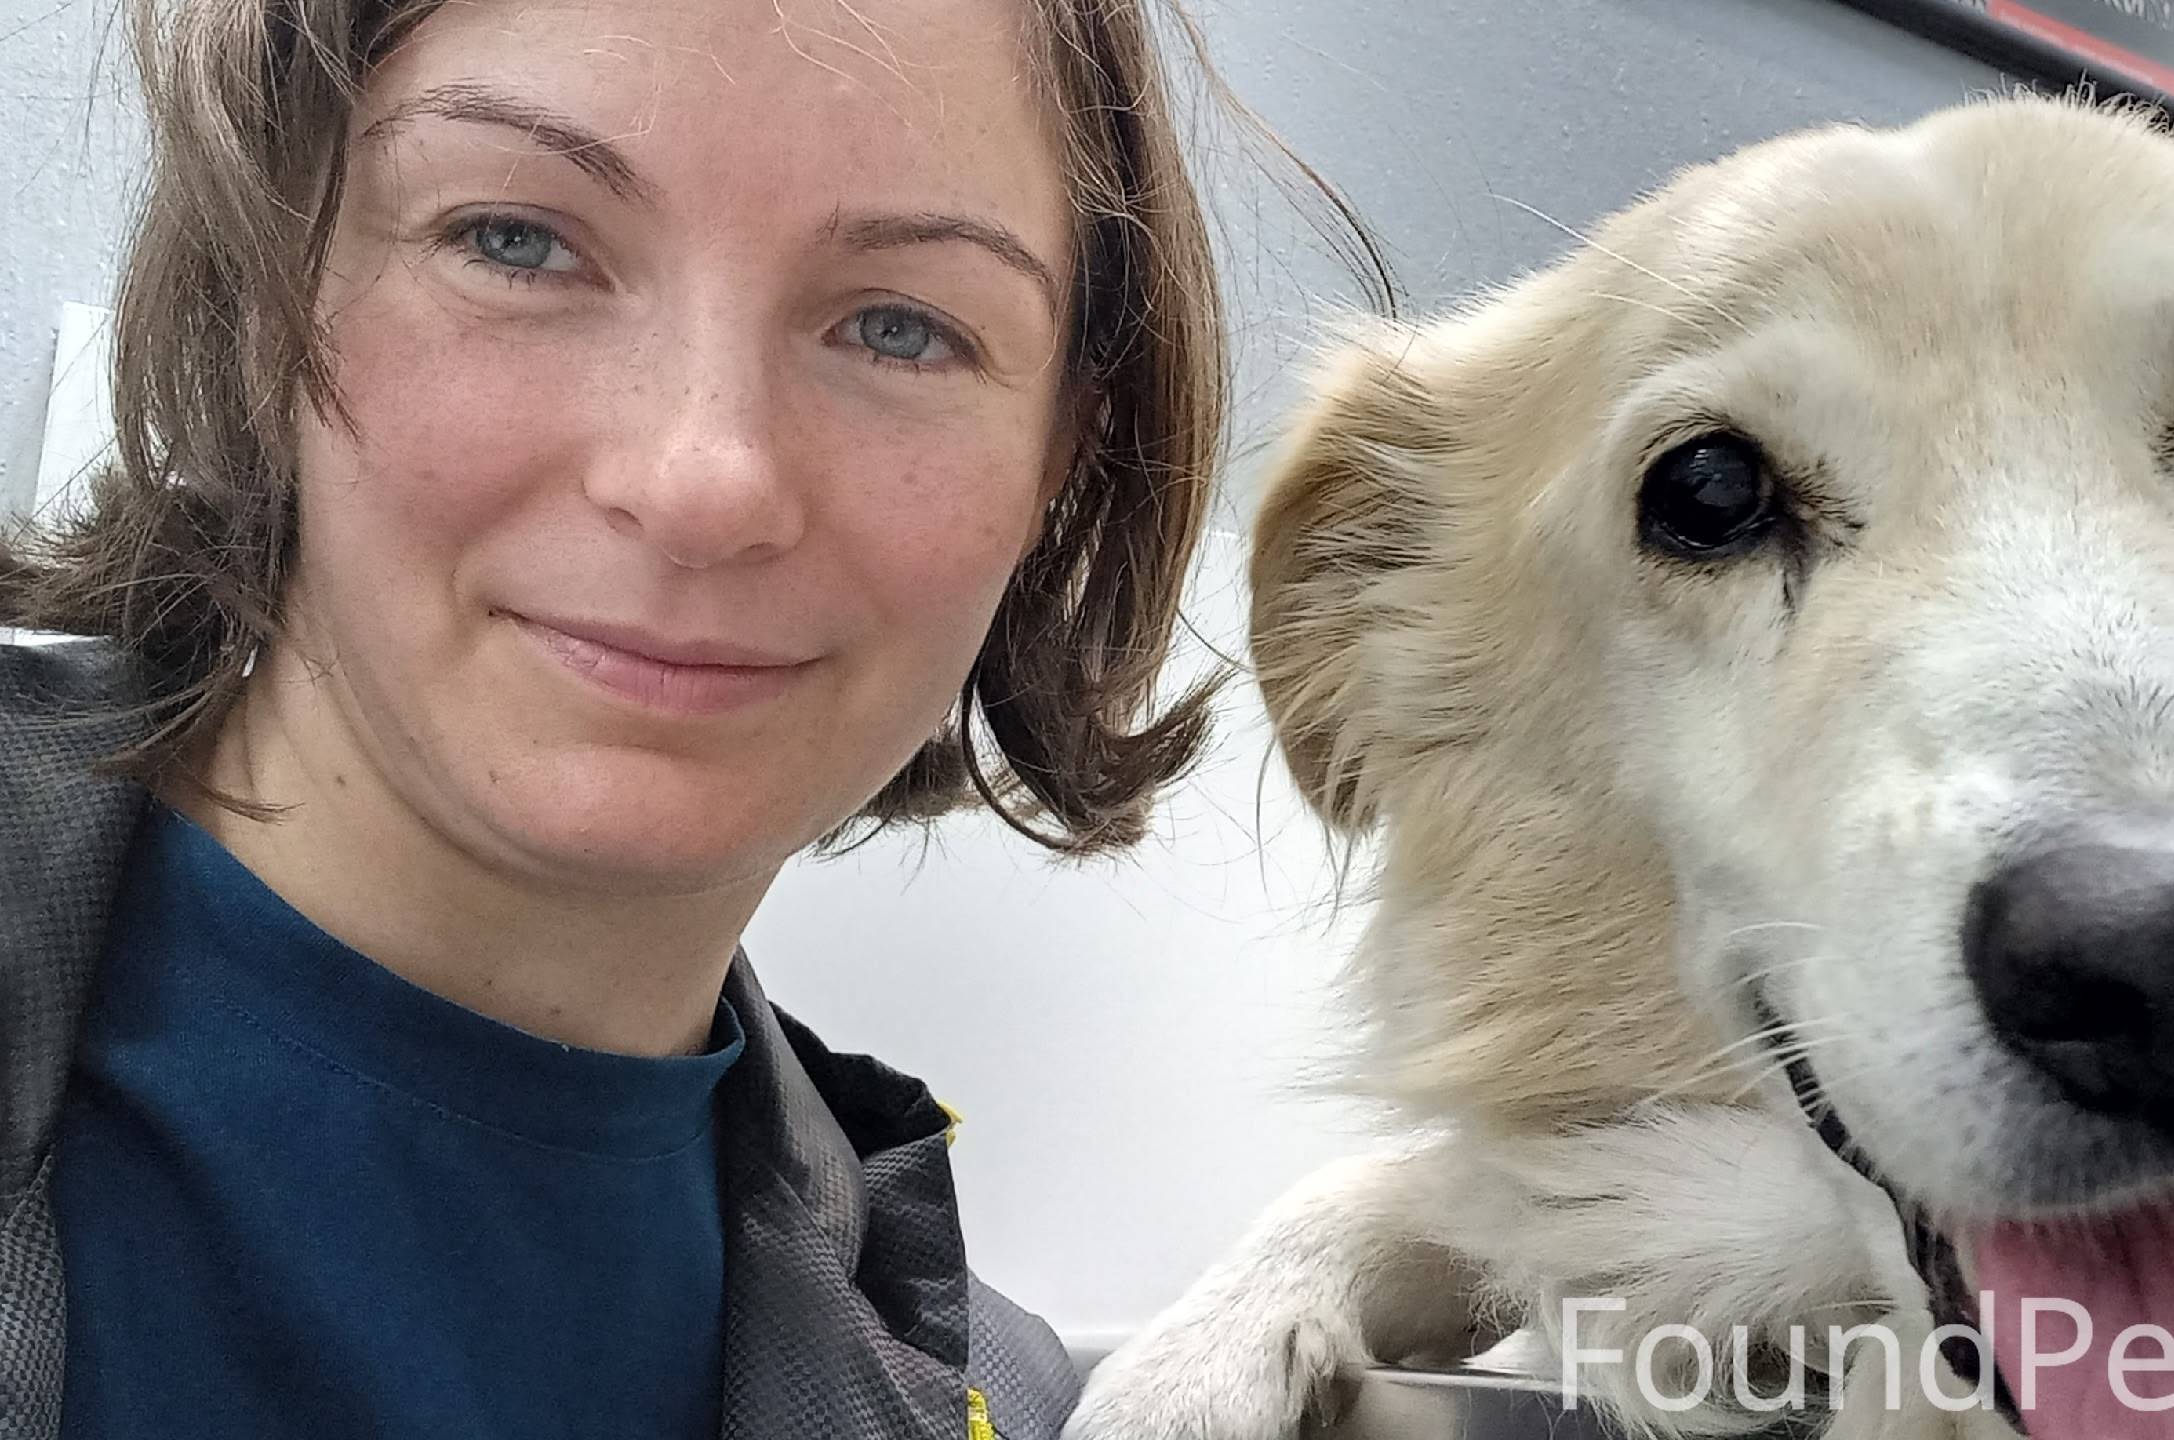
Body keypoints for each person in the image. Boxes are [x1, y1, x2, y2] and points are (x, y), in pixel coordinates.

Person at [0, 0, 1376, 1434]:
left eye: (900, 329)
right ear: (264, 286)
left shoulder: (1009, 1403)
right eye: (515, 241)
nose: (703, 480)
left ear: (1060, 461)